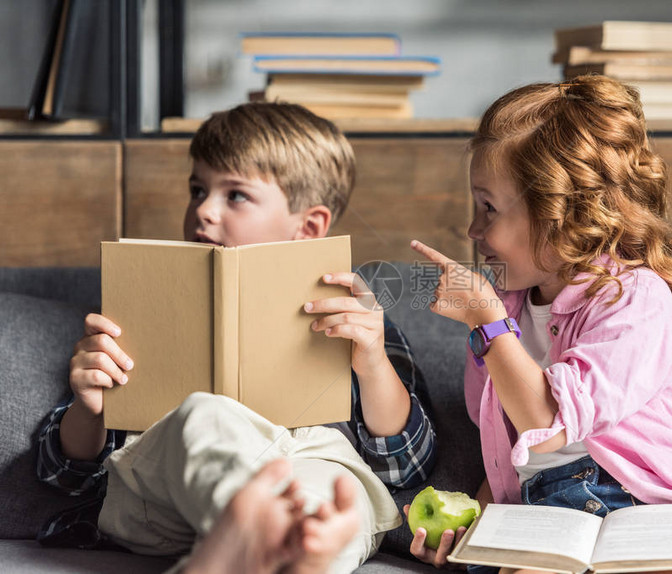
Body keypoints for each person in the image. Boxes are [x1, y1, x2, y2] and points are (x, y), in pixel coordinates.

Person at [35, 101, 436, 574]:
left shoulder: (357, 314)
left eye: (236, 195)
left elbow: (405, 467)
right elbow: (65, 474)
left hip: (310, 468)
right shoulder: (136, 307)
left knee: (335, 505)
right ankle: (255, 527)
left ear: (308, 227)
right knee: (204, 413)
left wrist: (372, 365)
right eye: (198, 189)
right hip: (170, 489)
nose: (203, 210)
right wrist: (89, 406)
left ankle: (260, 548)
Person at [407, 76, 672, 574]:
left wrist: (488, 324)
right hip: (545, 513)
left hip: (652, 503)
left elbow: (544, 425)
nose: (472, 230)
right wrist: (471, 531)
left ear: (563, 214)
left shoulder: (634, 298)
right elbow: (511, 454)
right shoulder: (504, 309)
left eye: (489, 207)